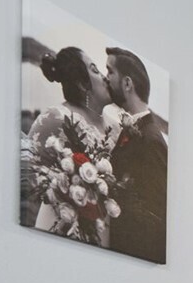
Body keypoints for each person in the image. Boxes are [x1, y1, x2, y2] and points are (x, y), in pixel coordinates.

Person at [20, 47, 114, 238]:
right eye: (95, 70)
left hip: (107, 231)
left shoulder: (116, 126)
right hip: (65, 228)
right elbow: (25, 171)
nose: (105, 77)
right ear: (81, 83)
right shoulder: (55, 117)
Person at [105, 47, 168, 262]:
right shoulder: (133, 130)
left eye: (110, 71)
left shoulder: (151, 140)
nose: (106, 79)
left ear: (127, 83)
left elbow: (156, 215)